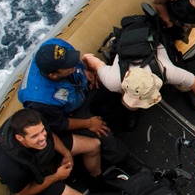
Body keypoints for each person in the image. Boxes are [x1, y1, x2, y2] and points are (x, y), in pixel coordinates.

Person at [17, 38, 128, 166]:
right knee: (105, 137)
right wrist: (89, 123)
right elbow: (59, 124)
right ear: (54, 75)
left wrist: (83, 71)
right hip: (69, 112)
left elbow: (76, 61)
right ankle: (121, 160)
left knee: (112, 90)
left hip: (82, 89)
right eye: (70, 66)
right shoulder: (40, 101)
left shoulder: (55, 46)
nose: (74, 65)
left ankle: (121, 117)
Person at [0, 108, 101, 195]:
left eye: (42, 131)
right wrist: (57, 176)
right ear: (19, 138)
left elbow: (50, 136)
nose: (42, 137)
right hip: (34, 175)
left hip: (41, 154)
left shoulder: (37, 122)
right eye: (35, 136)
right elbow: (23, 193)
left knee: (94, 145)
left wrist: (66, 154)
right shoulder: (12, 168)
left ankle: (96, 181)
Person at [82, 50, 195, 114]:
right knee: (128, 106)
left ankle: (183, 88)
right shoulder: (112, 81)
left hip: (155, 52)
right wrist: (89, 71)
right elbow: (87, 57)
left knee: (183, 83)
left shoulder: (167, 70)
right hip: (126, 54)